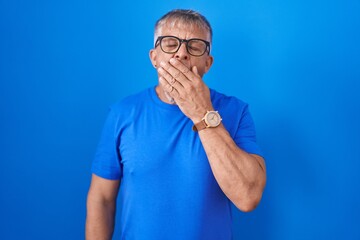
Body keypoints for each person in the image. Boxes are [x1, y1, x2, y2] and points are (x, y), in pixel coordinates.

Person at [86, 9, 266, 240]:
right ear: (153, 57)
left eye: (195, 46)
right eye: (170, 44)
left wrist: (202, 112)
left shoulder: (236, 111)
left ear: (208, 63)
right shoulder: (122, 113)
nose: (181, 53)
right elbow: (101, 199)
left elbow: (248, 197)